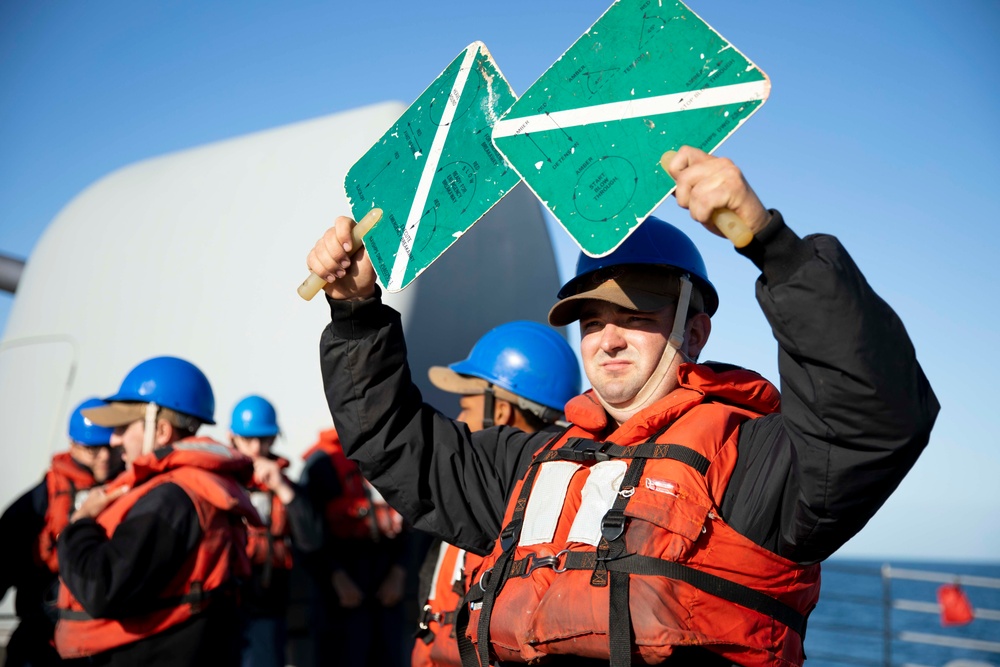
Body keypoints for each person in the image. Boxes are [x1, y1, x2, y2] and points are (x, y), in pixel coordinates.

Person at [306, 146, 939, 666]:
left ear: (694, 333)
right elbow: (393, 443)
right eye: (590, 321)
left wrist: (770, 244)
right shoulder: (529, 463)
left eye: (635, 318)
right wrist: (357, 315)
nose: (607, 339)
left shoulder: (757, 462)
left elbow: (876, 414)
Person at [53, 355, 261, 666]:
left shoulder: (170, 499)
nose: (114, 439)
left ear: (161, 432)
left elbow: (101, 588)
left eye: (123, 427)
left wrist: (80, 523)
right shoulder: (193, 488)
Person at [412, 320, 581, 667]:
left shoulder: (501, 509)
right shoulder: (485, 491)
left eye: (466, 407)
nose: (458, 418)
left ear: (500, 411)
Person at [0, 398, 122, 667]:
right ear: (73, 446)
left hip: (108, 639)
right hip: (42, 639)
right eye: (93, 449)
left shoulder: (133, 492)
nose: (103, 456)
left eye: (109, 447)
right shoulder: (35, 505)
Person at [298, 424, 411, 667]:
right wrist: (334, 576)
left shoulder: (395, 454)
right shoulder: (322, 463)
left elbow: (415, 519)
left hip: (386, 589)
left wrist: (400, 572)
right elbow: (307, 532)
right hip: (340, 596)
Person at [227, 394, 323, 667]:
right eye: (248, 440)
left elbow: (312, 541)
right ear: (232, 438)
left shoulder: (289, 489)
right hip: (226, 606)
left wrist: (283, 489)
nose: (256, 448)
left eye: (265, 439)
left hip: (268, 607)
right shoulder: (220, 483)